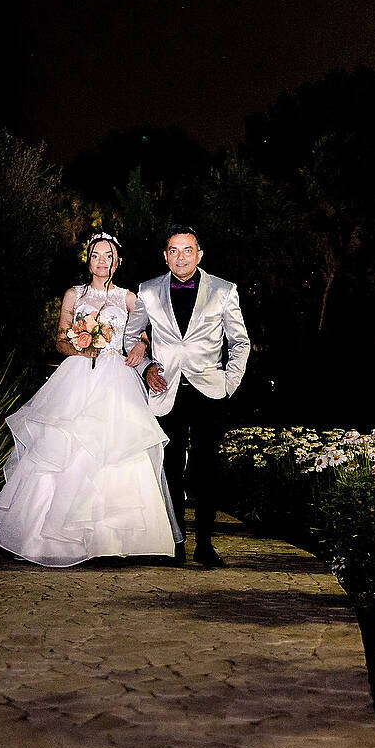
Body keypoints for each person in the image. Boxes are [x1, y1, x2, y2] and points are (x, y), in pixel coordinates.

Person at [0, 233, 182, 566]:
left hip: (116, 378)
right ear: (88, 261)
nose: (102, 261)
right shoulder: (74, 294)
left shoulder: (129, 298)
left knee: (116, 448)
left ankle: (116, 541)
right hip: (77, 373)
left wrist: (141, 346)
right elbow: (60, 340)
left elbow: (150, 332)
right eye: (96, 256)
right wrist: (80, 346)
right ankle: (54, 538)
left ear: (118, 262)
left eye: (108, 256)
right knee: (66, 446)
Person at [124, 225, 249, 567]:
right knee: (171, 468)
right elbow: (130, 337)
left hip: (209, 390)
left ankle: (205, 544)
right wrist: (147, 367)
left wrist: (229, 383)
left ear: (199, 254)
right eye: (174, 251)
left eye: (188, 250)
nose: (181, 257)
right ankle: (175, 542)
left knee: (207, 469)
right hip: (166, 390)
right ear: (165, 256)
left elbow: (240, 342)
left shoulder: (224, 290)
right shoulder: (148, 291)